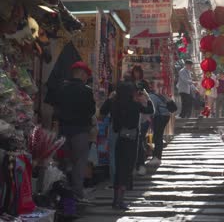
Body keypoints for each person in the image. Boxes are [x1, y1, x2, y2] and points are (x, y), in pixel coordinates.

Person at [99, 82, 154, 210]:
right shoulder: (135, 105)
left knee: (119, 169)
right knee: (127, 169)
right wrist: (147, 97)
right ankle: (120, 200)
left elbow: (102, 112)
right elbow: (150, 110)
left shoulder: (114, 103)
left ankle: (115, 200)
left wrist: (110, 98)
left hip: (118, 139)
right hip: (131, 140)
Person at [56, 61, 96, 203]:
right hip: (80, 131)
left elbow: (56, 108)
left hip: (63, 131)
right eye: (86, 75)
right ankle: (77, 193)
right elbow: (91, 111)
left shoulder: (62, 88)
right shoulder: (86, 91)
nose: (86, 78)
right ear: (81, 74)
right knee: (79, 162)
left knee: (64, 162)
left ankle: (62, 193)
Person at [130, 65, 151, 176]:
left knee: (140, 139)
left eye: (138, 72)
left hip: (144, 118)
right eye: (135, 72)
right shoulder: (130, 83)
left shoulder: (144, 84)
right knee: (137, 141)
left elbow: (148, 100)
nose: (136, 74)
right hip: (134, 117)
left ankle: (140, 164)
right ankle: (137, 164)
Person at [147, 83, 171, 167]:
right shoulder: (156, 95)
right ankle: (157, 157)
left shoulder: (151, 97)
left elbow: (153, 110)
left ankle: (156, 157)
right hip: (165, 116)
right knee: (158, 136)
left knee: (157, 136)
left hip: (160, 117)